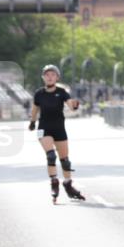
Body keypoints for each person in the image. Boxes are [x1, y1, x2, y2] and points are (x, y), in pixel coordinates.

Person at [29, 65, 86, 203]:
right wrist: (32, 121)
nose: (49, 77)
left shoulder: (62, 92)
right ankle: (54, 183)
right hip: (44, 129)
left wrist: (75, 105)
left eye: (52, 75)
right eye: (47, 74)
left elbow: (71, 106)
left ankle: (68, 184)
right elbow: (35, 109)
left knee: (65, 161)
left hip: (59, 129)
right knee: (51, 155)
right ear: (43, 77)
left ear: (57, 77)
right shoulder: (39, 93)